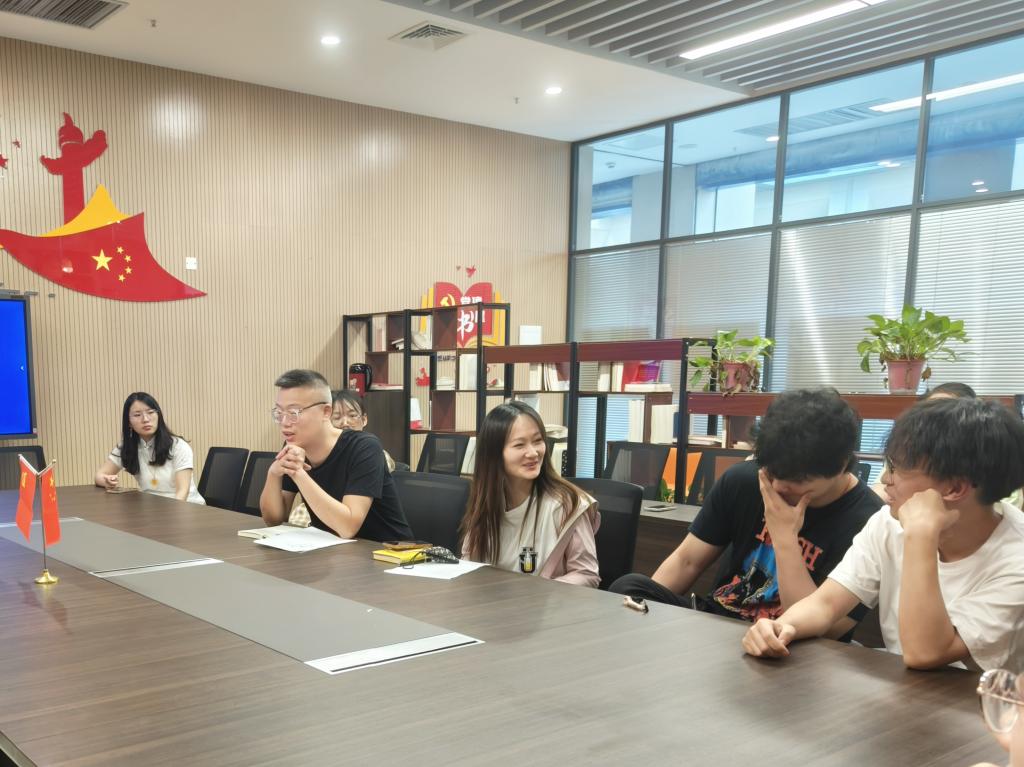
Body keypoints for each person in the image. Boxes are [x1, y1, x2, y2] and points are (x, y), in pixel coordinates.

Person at [742, 397, 1024, 670]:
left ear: (954, 489)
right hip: (902, 688)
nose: (886, 479)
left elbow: (926, 653)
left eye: (897, 468)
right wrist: (782, 627)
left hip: (976, 699)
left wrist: (921, 537)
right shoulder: (888, 522)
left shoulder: (1015, 559)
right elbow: (825, 604)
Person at [611, 388, 881, 632]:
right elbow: (687, 561)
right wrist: (644, 613)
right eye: (771, 472)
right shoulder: (743, 481)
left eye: (797, 480)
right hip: (718, 621)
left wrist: (784, 538)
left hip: (786, 642)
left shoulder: (870, 522)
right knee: (631, 587)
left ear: (841, 465)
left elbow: (825, 630)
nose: (777, 486)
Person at [260, 369, 412, 541]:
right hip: (332, 549)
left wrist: (298, 473)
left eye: (294, 413)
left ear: (326, 412)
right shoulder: (295, 446)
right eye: (279, 413)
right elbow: (274, 520)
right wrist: (273, 474)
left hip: (386, 550)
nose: (284, 422)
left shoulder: (364, 447)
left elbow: (347, 528)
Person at [459, 401, 600, 586]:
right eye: (519, 445)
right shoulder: (487, 501)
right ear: (494, 454)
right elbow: (469, 564)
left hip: (546, 602)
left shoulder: (568, 504)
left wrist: (539, 593)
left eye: (538, 441)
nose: (533, 453)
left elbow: (587, 574)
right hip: (493, 600)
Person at [94, 392, 205, 504]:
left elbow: (183, 492)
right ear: (129, 422)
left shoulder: (178, 446)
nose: (145, 419)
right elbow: (99, 476)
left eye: (151, 412)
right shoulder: (126, 447)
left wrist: (167, 514)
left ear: (158, 416)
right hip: (152, 507)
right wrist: (107, 481)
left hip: (187, 506)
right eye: (137, 415)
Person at [331, 389, 397, 471]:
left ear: (364, 419)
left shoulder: (373, 453)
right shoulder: (322, 455)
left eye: (352, 415)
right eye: (337, 417)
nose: (345, 423)